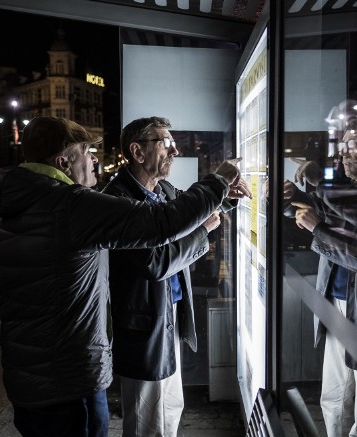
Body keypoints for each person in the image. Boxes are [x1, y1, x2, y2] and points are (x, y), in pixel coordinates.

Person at [0, 116, 251, 437]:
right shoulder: (70, 205)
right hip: (68, 375)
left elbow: (182, 218)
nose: (95, 158)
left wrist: (221, 200)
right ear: (63, 162)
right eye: (85, 151)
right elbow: (162, 230)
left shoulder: (26, 203)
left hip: (33, 370)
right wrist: (217, 182)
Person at [102, 117, 241, 436]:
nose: (175, 150)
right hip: (144, 326)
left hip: (169, 317)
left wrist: (229, 199)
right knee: (145, 418)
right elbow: (156, 263)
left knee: (170, 406)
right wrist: (204, 233)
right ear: (137, 151)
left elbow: (194, 212)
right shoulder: (119, 200)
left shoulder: (162, 189)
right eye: (165, 142)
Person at [287, 102, 357, 437]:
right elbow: (319, 211)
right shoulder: (347, 192)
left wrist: (318, 228)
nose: (343, 152)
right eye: (344, 144)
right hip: (338, 306)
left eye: (352, 145)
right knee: (334, 396)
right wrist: (289, 196)